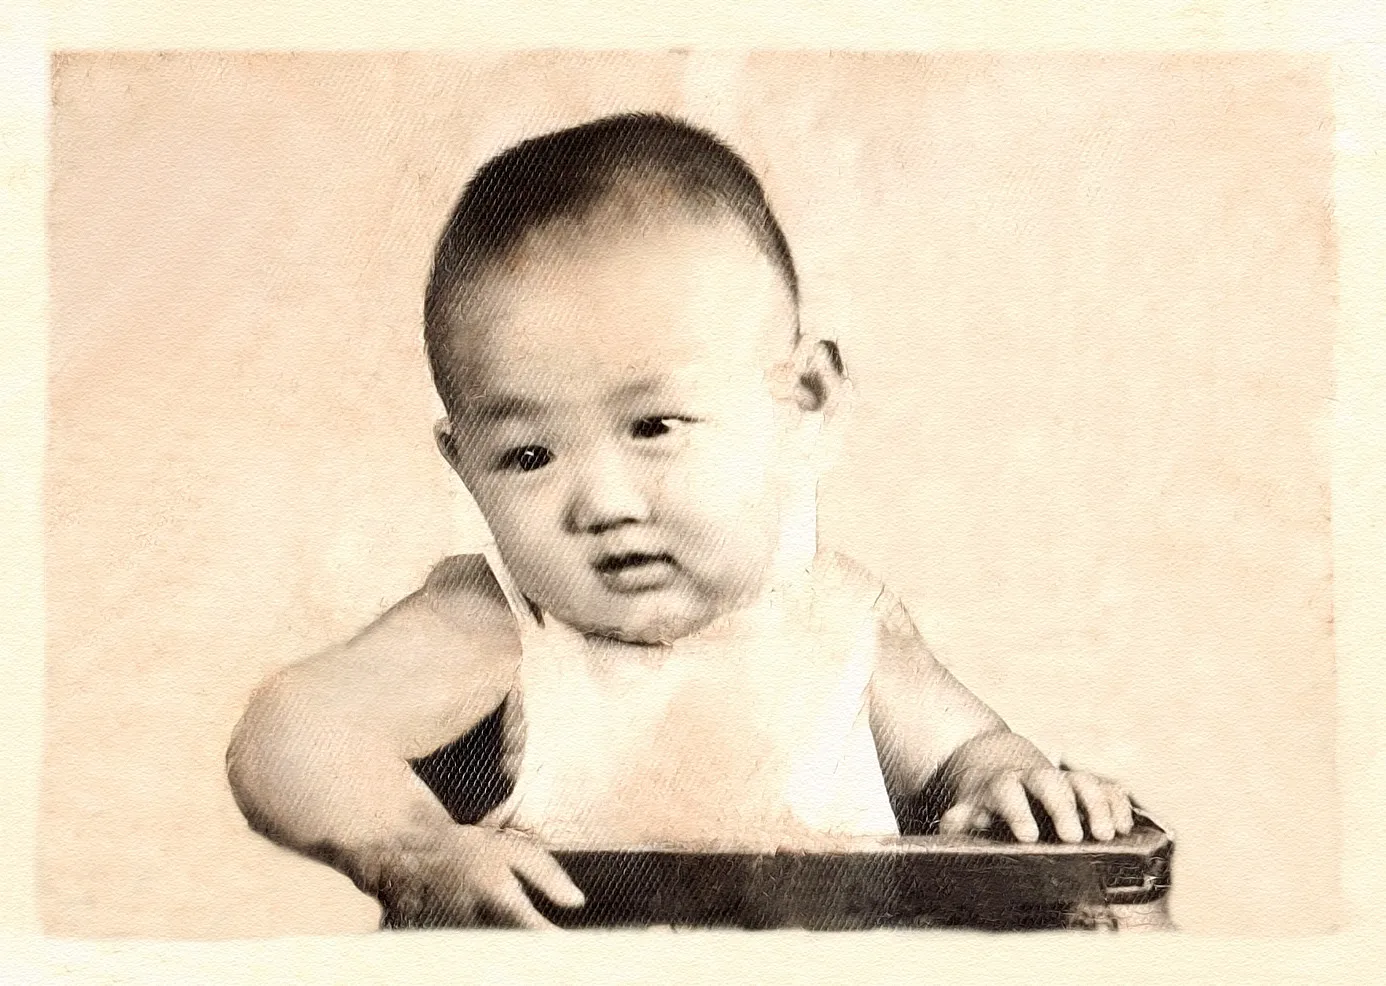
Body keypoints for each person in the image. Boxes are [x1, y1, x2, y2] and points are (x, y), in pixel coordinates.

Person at [226, 112, 1136, 929]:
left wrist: (1012, 788)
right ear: (463, 464)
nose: (602, 503)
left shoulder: (842, 624)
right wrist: (413, 851)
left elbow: (967, 755)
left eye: (654, 427)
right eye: (528, 456)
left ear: (805, 404)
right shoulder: (499, 623)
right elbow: (290, 731)